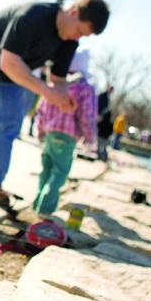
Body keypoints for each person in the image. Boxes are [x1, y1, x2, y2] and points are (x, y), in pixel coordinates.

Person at [0, 0, 110, 210]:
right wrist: (48, 93)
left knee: (11, 123)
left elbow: (59, 80)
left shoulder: (69, 42)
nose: (78, 37)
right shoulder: (33, 15)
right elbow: (8, 61)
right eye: (80, 31)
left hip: (8, 73)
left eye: (84, 36)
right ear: (73, 12)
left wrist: (64, 100)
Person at [33, 50, 97, 216]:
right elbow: (86, 116)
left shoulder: (54, 83)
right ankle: (45, 208)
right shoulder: (84, 88)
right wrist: (89, 137)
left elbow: (42, 108)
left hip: (49, 133)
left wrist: (39, 129)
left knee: (46, 169)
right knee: (60, 171)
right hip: (67, 136)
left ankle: (37, 202)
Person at [97, 85, 114, 161]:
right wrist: (99, 114)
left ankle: (102, 156)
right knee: (101, 144)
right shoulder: (102, 95)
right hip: (100, 115)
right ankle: (101, 155)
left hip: (103, 132)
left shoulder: (107, 96)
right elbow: (99, 105)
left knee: (102, 145)